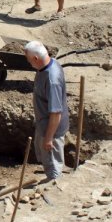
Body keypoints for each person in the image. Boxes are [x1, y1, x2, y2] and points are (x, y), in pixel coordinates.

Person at [24, 40, 68, 181]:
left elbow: (55, 113)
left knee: (53, 166)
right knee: (46, 158)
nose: (28, 63)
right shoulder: (49, 63)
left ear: (36, 59)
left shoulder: (52, 79)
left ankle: (54, 188)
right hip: (44, 124)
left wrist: (49, 138)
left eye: (29, 60)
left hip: (52, 130)